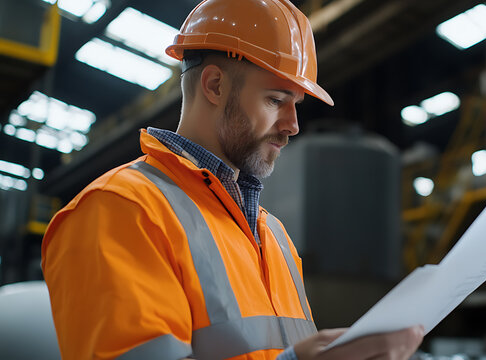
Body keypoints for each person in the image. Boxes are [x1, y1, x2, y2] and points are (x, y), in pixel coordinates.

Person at [41, 0, 424, 359]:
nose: (293, 126)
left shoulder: (273, 236)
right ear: (214, 86)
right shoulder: (118, 210)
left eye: (296, 105)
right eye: (276, 100)